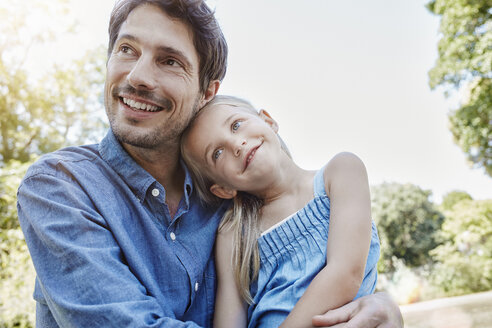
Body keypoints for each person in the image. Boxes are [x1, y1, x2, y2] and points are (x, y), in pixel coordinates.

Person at [16, 0, 403, 327]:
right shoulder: (60, 186)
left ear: (207, 92)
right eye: (126, 49)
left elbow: (320, 270)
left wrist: (383, 308)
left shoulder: (233, 200)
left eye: (169, 61)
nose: (136, 77)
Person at [180, 96, 380, 327]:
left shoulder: (342, 172)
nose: (236, 145)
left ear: (268, 120)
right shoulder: (233, 233)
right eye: (217, 153)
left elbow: (346, 275)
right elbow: (229, 321)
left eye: (236, 125)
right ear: (224, 189)